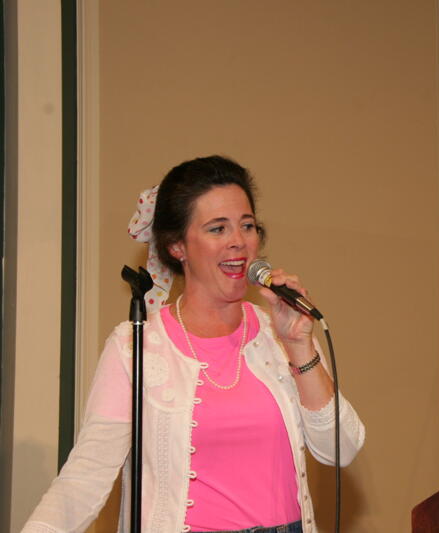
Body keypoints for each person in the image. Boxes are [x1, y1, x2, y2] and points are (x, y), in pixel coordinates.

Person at [22, 155, 365, 533]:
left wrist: (300, 346)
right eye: (218, 229)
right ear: (177, 246)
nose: (238, 242)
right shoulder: (135, 346)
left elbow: (341, 448)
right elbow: (85, 476)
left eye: (247, 226)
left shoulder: (279, 336)